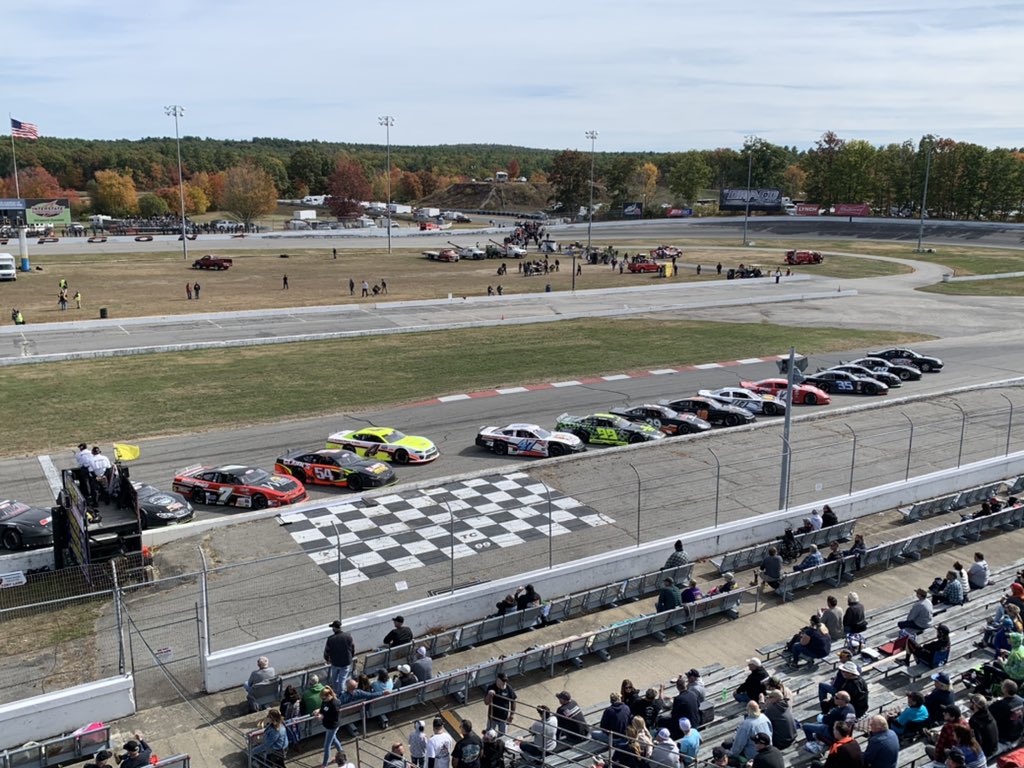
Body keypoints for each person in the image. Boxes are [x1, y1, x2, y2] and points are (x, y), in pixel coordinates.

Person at [988, 679, 1024, 746]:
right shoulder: (1021, 700)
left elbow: (988, 713)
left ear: (1005, 690)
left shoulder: (1000, 705)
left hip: (1006, 737)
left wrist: (993, 702)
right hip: (1019, 732)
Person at [316, 686, 343, 768]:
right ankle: (342, 754)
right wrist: (319, 712)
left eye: (324, 699)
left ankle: (325, 764)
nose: (323, 700)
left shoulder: (335, 704)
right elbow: (323, 708)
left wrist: (323, 716)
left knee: (327, 745)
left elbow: (334, 717)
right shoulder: (325, 701)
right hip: (328, 725)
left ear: (329, 696)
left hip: (332, 726)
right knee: (334, 740)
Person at [324, 620, 355, 692]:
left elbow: (326, 652)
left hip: (335, 662)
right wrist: (351, 657)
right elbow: (352, 648)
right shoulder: (348, 636)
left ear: (335, 628)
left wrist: (327, 659)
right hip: (346, 662)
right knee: (342, 679)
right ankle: (339, 692)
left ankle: (338, 693)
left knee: (335, 679)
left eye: (333, 627)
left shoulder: (330, 639)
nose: (332, 629)